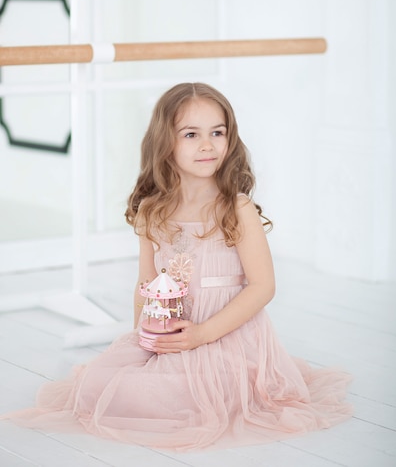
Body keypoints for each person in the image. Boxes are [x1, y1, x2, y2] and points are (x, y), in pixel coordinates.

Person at [2, 82, 352, 451]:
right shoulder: (153, 211)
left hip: (225, 336)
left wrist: (202, 335)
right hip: (169, 334)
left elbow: (263, 287)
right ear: (165, 144)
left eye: (217, 132)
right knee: (103, 385)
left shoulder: (236, 208)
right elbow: (146, 282)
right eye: (191, 134)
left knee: (184, 398)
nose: (207, 145)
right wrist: (143, 341)